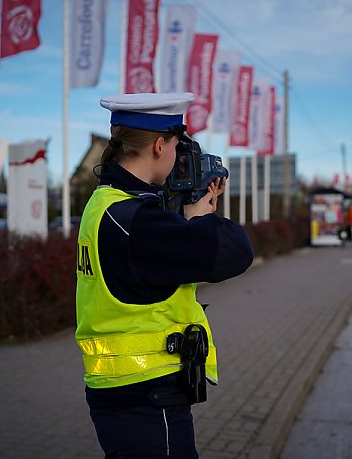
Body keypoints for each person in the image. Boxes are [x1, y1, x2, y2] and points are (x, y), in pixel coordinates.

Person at [75, 92, 254, 459]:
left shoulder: (105, 204)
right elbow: (236, 250)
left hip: (119, 393)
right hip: (148, 398)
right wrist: (202, 218)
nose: (177, 159)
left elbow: (145, 257)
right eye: (176, 147)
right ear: (159, 145)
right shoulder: (138, 223)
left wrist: (186, 220)